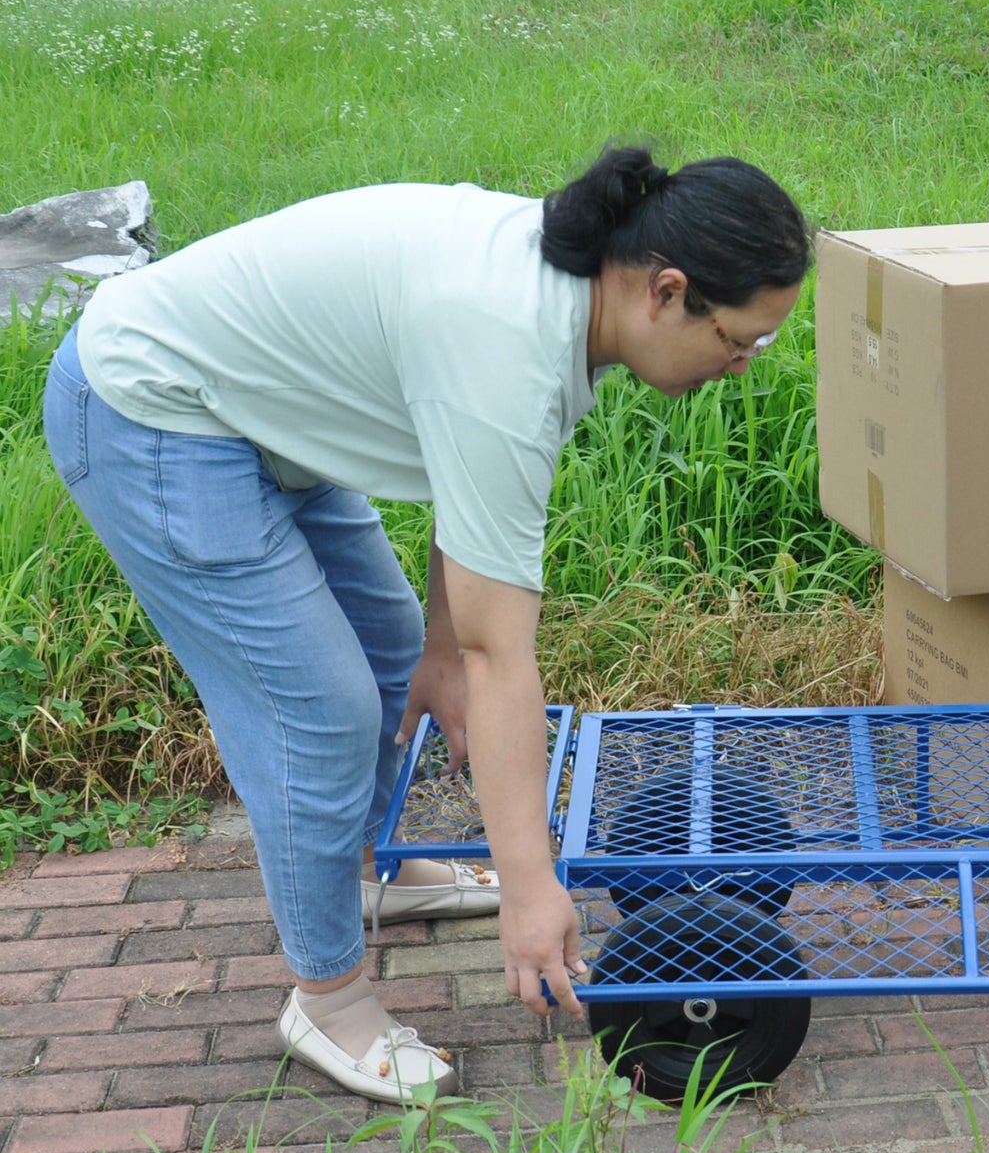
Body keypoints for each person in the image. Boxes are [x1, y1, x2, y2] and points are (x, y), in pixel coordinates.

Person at [43, 145, 810, 1102]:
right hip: (150, 413)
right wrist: (532, 893)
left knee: (398, 655)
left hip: (257, 415)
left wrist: (442, 651)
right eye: (741, 339)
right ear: (665, 291)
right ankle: (326, 997)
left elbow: (469, 518)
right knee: (317, 714)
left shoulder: (566, 300)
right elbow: (505, 656)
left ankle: (373, 871)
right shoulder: (507, 343)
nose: (740, 365)